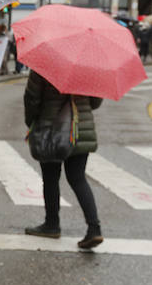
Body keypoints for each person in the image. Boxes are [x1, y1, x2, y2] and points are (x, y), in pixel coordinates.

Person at [23, 70, 103, 249]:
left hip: (51, 128)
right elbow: (95, 102)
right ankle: (94, 228)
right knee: (78, 178)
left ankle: (52, 224)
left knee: (51, 179)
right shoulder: (88, 66)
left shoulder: (44, 64)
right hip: (80, 128)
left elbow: (32, 99)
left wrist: (32, 122)